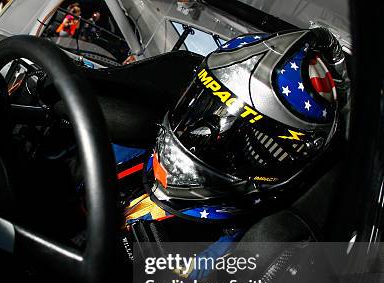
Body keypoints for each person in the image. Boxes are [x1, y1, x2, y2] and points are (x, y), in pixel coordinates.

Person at [113, 27, 349, 262]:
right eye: (206, 102)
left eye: (240, 133)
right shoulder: (126, 146)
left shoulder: (231, 254)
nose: (206, 134)